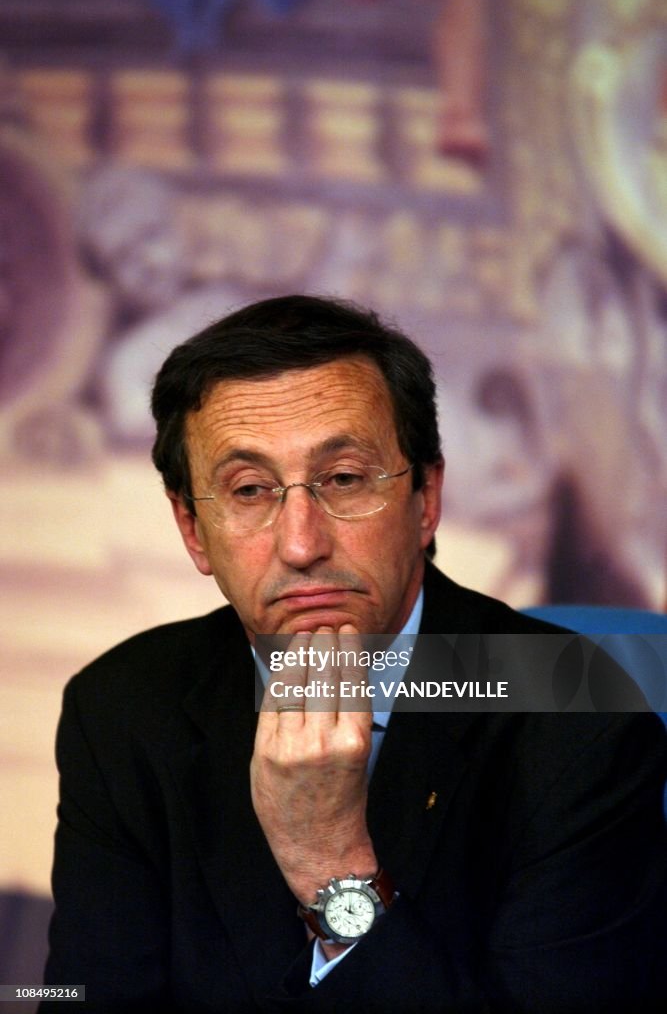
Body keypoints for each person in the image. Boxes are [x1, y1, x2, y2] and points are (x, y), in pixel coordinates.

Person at [42, 295, 666, 1012]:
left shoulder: (572, 704)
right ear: (191, 528)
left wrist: (330, 861)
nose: (301, 545)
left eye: (343, 480)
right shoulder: (124, 704)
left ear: (425, 497)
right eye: (249, 490)